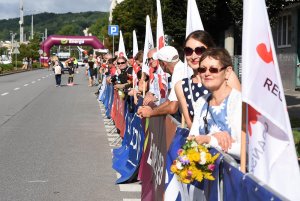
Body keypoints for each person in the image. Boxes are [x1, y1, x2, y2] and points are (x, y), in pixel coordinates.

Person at [175, 30, 241, 129]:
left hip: (231, 140)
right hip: (201, 142)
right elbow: (191, 126)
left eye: (199, 50)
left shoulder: (227, 76)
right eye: (188, 51)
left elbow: (241, 113)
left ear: (210, 50)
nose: (193, 56)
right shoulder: (181, 86)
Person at [189, 48, 241, 158]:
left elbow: (245, 150)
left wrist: (210, 140)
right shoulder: (201, 101)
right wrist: (212, 137)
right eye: (202, 70)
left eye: (213, 69)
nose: (207, 73)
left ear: (227, 72)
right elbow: (192, 140)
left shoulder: (239, 102)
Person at [137, 46, 187, 118]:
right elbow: (169, 101)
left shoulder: (178, 73)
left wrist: (151, 113)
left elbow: (173, 107)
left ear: (163, 63)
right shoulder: (179, 69)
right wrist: (152, 110)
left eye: (159, 61)